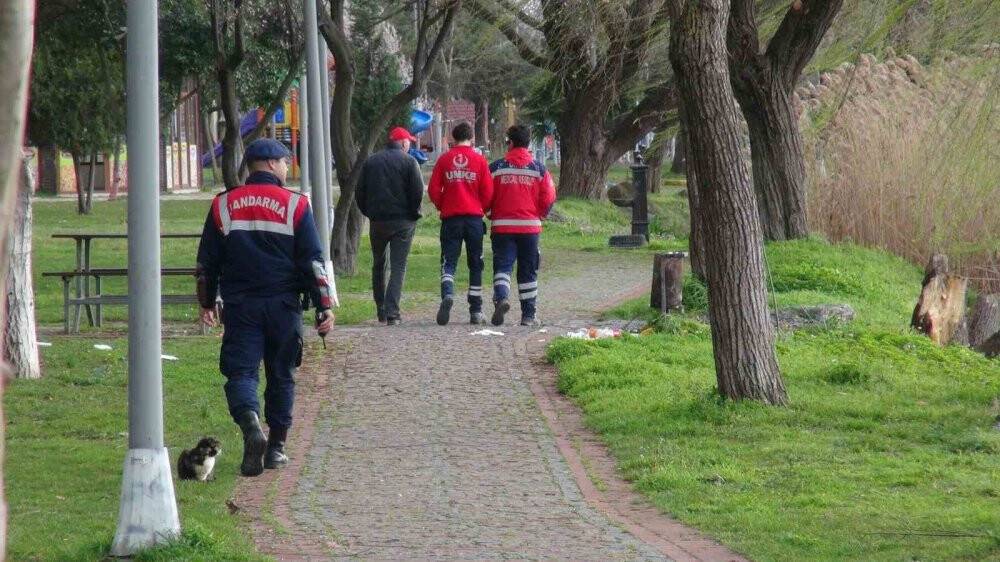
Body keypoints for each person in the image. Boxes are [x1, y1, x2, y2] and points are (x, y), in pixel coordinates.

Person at [196, 138, 335, 477]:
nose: (288, 168)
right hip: (284, 306)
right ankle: (275, 448)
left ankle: (250, 423)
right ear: (271, 164)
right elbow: (313, 262)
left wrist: (206, 302)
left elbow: (206, 263)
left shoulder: (223, 205)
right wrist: (324, 306)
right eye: (286, 162)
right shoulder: (296, 206)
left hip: (241, 307)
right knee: (281, 375)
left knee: (241, 372)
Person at [488, 125, 556, 327]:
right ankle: (528, 315)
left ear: (510, 142)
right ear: (528, 144)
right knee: (528, 271)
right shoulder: (539, 169)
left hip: (502, 227)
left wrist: (490, 213)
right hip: (529, 228)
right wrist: (540, 214)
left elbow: (485, 194)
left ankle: (501, 298)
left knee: (503, 266)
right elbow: (549, 196)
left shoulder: (496, 168)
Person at [427, 122, 494, 325]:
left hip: (451, 219)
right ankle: (476, 310)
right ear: (472, 138)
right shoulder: (480, 160)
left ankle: (447, 294)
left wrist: (443, 205)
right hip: (473, 219)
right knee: (476, 264)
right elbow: (489, 192)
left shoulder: (444, 160)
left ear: (452, 138)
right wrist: (480, 207)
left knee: (449, 261)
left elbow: (433, 189)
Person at [356, 126, 424, 325]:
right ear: (403, 143)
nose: (409, 144)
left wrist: (369, 212)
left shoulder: (371, 161)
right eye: (409, 142)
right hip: (403, 221)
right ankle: (393, 312)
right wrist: (413, 212)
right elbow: (418, 191)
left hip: (378, 221)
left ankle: (380, 309)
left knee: (378, 264)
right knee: (398, 266)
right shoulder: (409, 161)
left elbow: (360, 192)